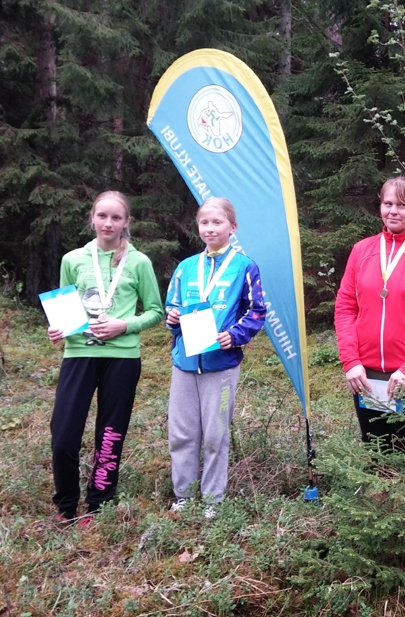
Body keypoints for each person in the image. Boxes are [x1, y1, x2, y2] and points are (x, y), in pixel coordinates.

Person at [48, 191, 164, 526]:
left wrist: (123, 325)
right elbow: (64, 310)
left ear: (126, 222)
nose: (108, 223)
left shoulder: (139, 262)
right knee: (63, 435)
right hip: (79, 353)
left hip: (122, 357)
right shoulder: (73, 259)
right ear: (92, 218)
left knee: (110, 434)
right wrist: (57, 329)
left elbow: (155, 311)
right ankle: (66, 506)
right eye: (102, 216)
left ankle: (98, 504)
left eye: (116, 217)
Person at [165, 198, 267, 517]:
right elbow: (172, 307)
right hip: (185, 363)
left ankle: (212, 500)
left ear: (232, 227)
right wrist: (173, 319)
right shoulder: (185, 268)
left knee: (215, 434)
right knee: (181, 433)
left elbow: (257, 311)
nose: (210, 228)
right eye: (204, 222)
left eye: (217, 222)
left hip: (220, 364)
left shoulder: (244, 266)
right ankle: (184, 495)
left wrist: (234, 335)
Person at [334, 177, 405, 447]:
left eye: (402, 205)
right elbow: (345, 307)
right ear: (380, 206)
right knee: (375, 450)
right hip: (366, 373)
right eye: (388, 204)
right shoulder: (361, 250)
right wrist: (351, 361)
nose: (393, 211)